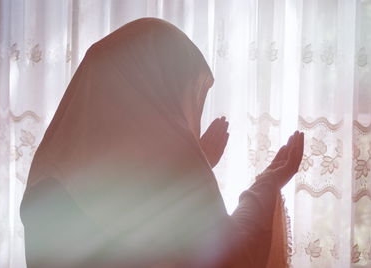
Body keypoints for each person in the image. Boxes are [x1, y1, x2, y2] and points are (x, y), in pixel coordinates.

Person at [20, 18, 304, 268]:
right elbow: (230, 258)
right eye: (190, 96)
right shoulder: (178, 167)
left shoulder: (49, 164)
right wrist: (266, 185)